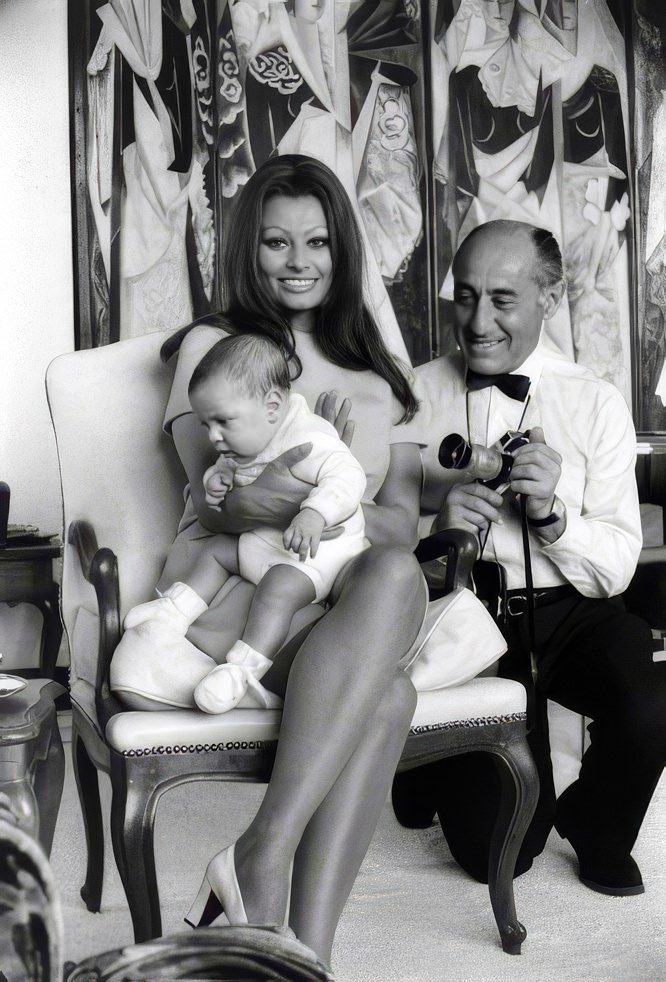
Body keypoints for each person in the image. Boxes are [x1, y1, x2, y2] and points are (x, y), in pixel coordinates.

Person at [109, 153, 426, 966]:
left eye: (317, 242)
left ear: (342, 250)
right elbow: (222, 501)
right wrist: (326, 490)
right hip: (243, 595)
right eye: (277, 243)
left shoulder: (372, 372)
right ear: (249, 249)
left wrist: (343, 498)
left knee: (395, 587)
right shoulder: (219, 349)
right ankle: (268, 878)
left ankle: (295, 954)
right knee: (385, 691)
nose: (299, 263)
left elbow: (397, 524)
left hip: (339, 593)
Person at [397, 219, 666, 897]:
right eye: (465, 297)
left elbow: (616, 567)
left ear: (548, 298)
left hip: (572, 611)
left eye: (502, 300)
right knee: (499, 854)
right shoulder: (412, 395)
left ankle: (597, 826)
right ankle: (422, 764)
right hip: (464, 616)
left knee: (652, 704)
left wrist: (552, 518)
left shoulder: (596, 403)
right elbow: (364, 542)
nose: (477, 321)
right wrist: (434, 530)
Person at [116, 332, 368, 714]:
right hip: (266, 540)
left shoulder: (310, 437)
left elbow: (348, 478)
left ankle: (241, 670)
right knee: (218, 552)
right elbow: (235, 469)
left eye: (223, 423)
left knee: (276, 592)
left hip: (314, 557)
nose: (214, 437)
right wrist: (217, 479)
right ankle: (172, 612)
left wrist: (314, 512)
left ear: (272, 406)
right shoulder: (249, 433)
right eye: (207, 425)